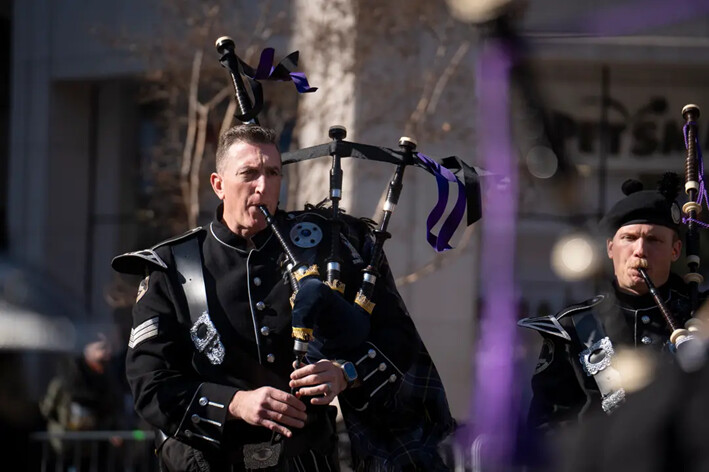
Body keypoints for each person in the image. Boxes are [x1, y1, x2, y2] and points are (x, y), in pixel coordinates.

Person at [112, 124, 454, 471]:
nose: (263, 186)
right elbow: (149, 384)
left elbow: (396, 336)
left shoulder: (324, 247)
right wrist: (235, 403)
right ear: (218, 185)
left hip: (308, 461)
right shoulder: (172, 266)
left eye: (272, 173)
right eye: (249, 173)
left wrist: (345, 372)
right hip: (209, 462)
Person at [518, 175, 700, 437]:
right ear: (610, 248)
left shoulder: (698, 318)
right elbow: (548, 426)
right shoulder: (573, 327)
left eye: (654, 240)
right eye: (629, 238)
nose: (640, 250)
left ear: (676, 250)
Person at [39, 332, 124, 468]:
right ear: (86, 350)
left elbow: (112, 410)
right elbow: (47, 409)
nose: (107, 354)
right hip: (65, 449)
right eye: (101, 348)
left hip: (94, 451)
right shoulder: (65, 381)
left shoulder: (108, 381)